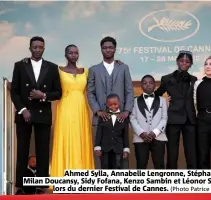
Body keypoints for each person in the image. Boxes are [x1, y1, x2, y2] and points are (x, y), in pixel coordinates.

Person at [10, 36, 62, 195]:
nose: (38, 49)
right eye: (35, 47)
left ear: (44, 48)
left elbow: (58, 93)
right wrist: (23, 110)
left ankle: (41, 185)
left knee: (43, 151)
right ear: (30, 48)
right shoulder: (19, 65)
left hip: (43, 114)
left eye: (41, 47)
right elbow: (15, 92)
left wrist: (43, 95)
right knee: (22, 150)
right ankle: (20, 186)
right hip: (24, 113)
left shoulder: (52, 67)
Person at [87, 36, 134, 169]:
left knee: (122, 152)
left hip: (121, 118)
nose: (108, 50)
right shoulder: (94, 69)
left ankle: (121, 186)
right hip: (101, 118)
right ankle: (101, 186)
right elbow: (90, 93)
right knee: (100, 154)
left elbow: (129, 91)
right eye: (105, 47)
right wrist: (97, 110)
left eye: (110, 47)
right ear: (101, 50)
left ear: (115, 49)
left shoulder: (123, 68)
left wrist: (126, 111)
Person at [50, 44, 95, 179]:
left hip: (81, 109)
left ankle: (83, 178)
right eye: (70, 53)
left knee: (82, 140)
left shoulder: (86, 71)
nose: (73, 55)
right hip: (65, 108)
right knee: (66, 138)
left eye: (76, 53)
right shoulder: (58, 70)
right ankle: (64, 178)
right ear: (65, 55)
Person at [155, 50, 197, 169]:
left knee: (191, 151)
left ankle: (193, 179)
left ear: (191, 64)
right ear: (177, 62)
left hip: (190, 120)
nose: (184, 63)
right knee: (172, 152)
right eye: (182, 60)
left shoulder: (194, 79)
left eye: (187, 61)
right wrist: (164, 101)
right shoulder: (167, 78)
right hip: (173, 119)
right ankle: (171, 179)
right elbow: (157, 95)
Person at [130, 75, 168, 169]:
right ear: (141, 86)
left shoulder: (162, 100)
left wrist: (155, 132)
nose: (148, 85)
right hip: (140, 138)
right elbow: (132, 118)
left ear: (155, 85)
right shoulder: (134, 101)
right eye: (145, 83)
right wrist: (141, 133)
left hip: (158, 137)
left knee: (159, 166)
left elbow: (164, 118)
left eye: (151, 83)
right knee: (141, 165)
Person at [94, 94, 129, 169]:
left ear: (119, 103)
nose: (113, 106)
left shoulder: (124, 117)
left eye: (115, 104)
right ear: (106, 104)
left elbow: (125, 135)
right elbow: (99, 133)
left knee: (117, 168)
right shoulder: (103, 116)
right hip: (105, 149)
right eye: (110, 105)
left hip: (118, 149)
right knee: (105, 167)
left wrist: (126, 149)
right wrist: (97, 147)